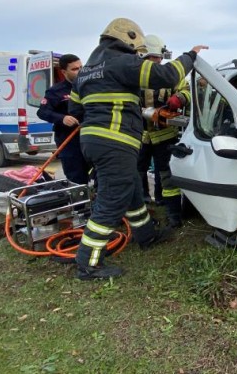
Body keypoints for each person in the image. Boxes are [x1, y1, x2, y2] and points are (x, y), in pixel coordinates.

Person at [68, 17, 207, 280]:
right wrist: (191, 56)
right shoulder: (122, 62)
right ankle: (88, 263)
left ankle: (146, 235)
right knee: (112, 200)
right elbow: (168, 75)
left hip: (93, 141)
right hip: (115, 142)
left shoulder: (86, 71)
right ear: (129, 39)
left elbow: (75, 109)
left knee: (132, 188)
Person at [136, 34, 191, 228]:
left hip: (165, 135)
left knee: (167, 175)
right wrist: (144, 112)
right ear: (143, 57)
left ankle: (173, 214)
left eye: (159, 58)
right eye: (154, 58)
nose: (158, 61)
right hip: (140, 136)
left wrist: (180, 98)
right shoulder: (134, 76)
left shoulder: (170, 75)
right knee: (137, 173)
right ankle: (141, 208)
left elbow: (186, 90)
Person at [37, 54, 89, 184]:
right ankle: (78, 198)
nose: (80, 71)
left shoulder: (90, 87)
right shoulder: (56, 91)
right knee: (76, 178)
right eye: (75, 69)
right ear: (64, 72)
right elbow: (42, 112)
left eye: (81, 67)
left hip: (90, 137)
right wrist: (62, 118)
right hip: (69, 140)